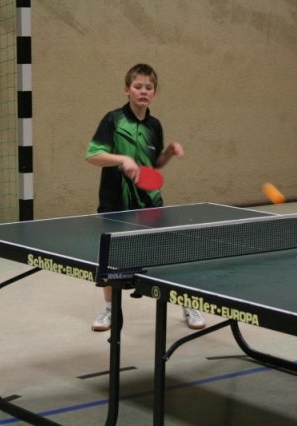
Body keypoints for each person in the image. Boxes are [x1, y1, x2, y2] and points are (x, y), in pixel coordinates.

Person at [85, 63, 206, 332]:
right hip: (115, 203)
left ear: (154, 93)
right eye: (137, 86)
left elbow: (153, 165)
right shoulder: (113, 120)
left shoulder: (155, 125)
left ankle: (187, 303)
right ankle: (111, 308)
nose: (143, 91)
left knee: (168, 255)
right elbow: (93, 155)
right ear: (127, 90)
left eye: (148, 87)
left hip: (150, 203)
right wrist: (122, 159)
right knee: (110, 260)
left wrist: (168, 154)